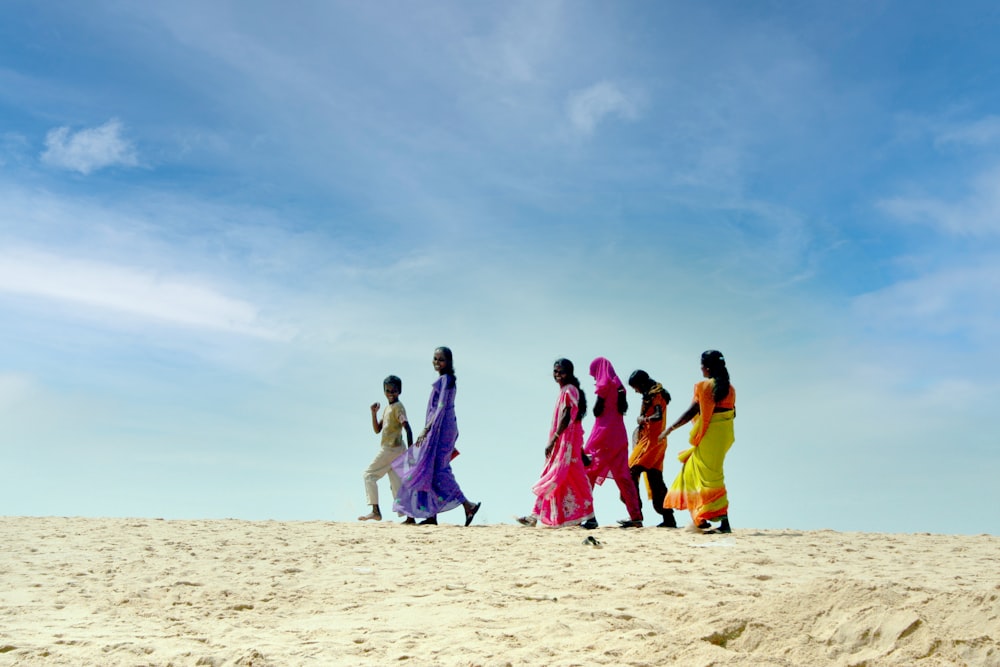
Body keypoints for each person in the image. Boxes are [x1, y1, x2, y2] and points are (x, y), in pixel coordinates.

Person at [392, 347, 482, 526]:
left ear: (448, 362)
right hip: (439, 428)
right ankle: (431, 515)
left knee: (438, 470)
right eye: (435, 359)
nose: (437, 362)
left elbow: (441, 408)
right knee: (429, 470)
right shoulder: (443, 380)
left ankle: (467, 505)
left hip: (441, 430)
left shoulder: (447, 380)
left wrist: (426, 429)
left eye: (441, 359)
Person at [516, 359, 596, 529]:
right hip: (564, 445)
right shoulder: (565, 391)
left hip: (566, 445)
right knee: (556, 477)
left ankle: (590, 517)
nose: (558, 375)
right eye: (555, 372)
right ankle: (535, 516)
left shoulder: (570, 391)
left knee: (567, 477)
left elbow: (567, 415)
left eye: (561, 372)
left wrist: (554, 438)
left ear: (570, 372)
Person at [662, 350, 736, 534]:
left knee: (710, 478)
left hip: (711, 436)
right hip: (724, 435)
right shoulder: (730, 388)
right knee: (695, 471)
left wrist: (669, 428)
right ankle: (702, 518)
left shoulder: (705, 387)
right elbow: (732, 413)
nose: (701, 369)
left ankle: (723, 522)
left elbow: (691, 412)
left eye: (702, 366)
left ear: (708, 367)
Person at [584, 357, 643, 528]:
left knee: (588, 472)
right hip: (619, 436)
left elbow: (597, 411)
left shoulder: (604, 385)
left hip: (603, 435)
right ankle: (636, 517)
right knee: (623, 477)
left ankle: (588, 516)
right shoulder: (620, 388)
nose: (595, 379)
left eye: (594, 374)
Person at [358, 375, 414, 522]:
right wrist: (373, 413)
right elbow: (377, 429)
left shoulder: (398, 408)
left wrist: (411, 452)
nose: (390, 393)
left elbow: (407, 428)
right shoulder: (388, 408)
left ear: (399, 391)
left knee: (368, 475)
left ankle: (375, 511)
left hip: (391, 449)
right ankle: (409, 517)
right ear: (384, 391)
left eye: (394, 391)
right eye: (387, 390)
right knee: (396, 485)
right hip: (395, 451)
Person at [626, 370, 677, 528]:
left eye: (635, 387)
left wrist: (643, 419)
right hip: (657, 441)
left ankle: (636, 515)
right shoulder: (657, 393)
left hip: (651, 442)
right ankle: (668, 518)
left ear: (641, 384)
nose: (635, 391)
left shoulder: (655, 395)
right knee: (655, 479)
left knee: (630, 473)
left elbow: (658, 415)